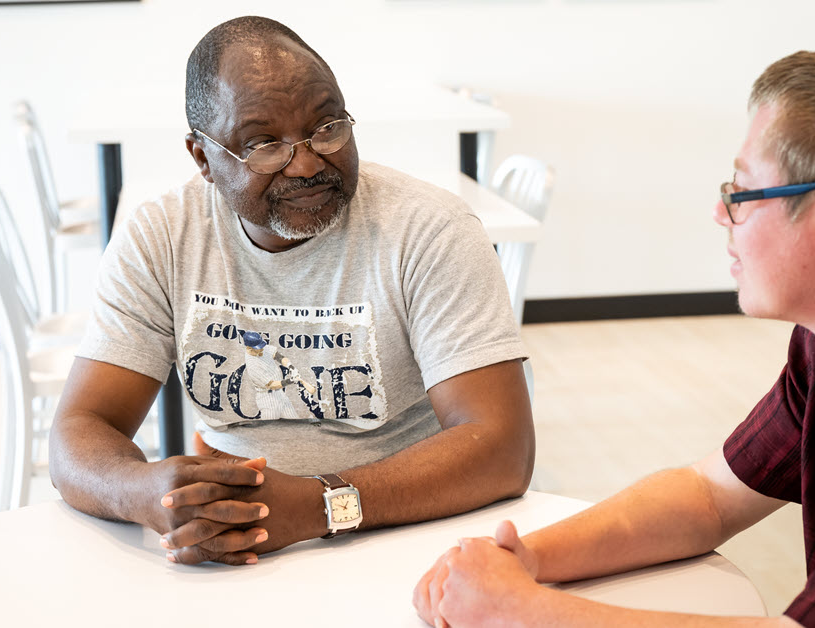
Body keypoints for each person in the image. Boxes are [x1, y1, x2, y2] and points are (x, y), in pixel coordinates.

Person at [414, 49, 815, 627]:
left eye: (743, 190)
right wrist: (526, 559)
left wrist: (520, 612)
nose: (720, 212)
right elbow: (708, 496)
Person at [49, 16, 534, 567]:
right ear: (204, 159)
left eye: (328, 128)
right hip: (241, 546)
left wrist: (319, 505)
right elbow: (79, 431)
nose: (306, 163)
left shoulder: (427, 229)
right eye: (263, 144)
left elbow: (501, 448)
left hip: (407, 533)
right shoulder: (163, 236)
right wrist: (149, 494)